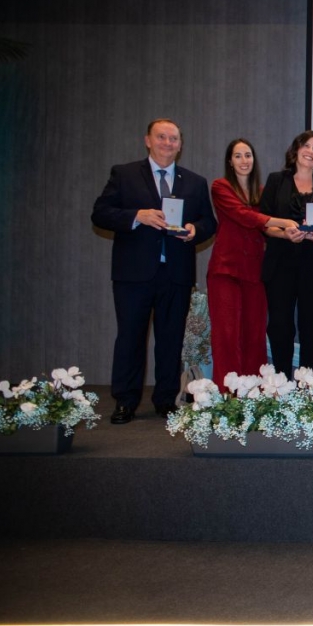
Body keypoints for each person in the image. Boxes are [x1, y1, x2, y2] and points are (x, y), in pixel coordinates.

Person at [91, 118, 217, 424]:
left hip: (176, 273)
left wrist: (193, 229)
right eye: (162, 137)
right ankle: (125, 400)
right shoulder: (124, 174)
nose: (168, 143)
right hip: (133, 273)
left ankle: (165, 399)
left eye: (174, 139)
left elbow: (209, 222)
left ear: (180, 145)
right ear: (148, 140)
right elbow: (101, 213)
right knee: (130, 337)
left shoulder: (195, 181)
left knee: (171, 339)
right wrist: (137, 216)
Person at [206, 139, 299, 391]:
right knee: (227, 335)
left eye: (248, 155)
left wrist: (288, 232)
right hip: (226, 270)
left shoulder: (261, 191)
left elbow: (268, 229)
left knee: (255, 335)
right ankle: (227, 394)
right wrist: (283, 221)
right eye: (238, 156)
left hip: (255, 272)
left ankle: (252, 392)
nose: (244, 160)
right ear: (230, 161)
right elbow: (244, 216)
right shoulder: (220, 186)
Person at [259, 130, 313, 378]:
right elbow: (263, 223)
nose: (311, 152)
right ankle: (281, 384)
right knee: (281, 326)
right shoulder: (275, 180)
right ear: (295, 149)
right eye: (307, 146)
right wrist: (285, 233)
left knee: (311, 329)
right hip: (280, 264)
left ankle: (309, 388)